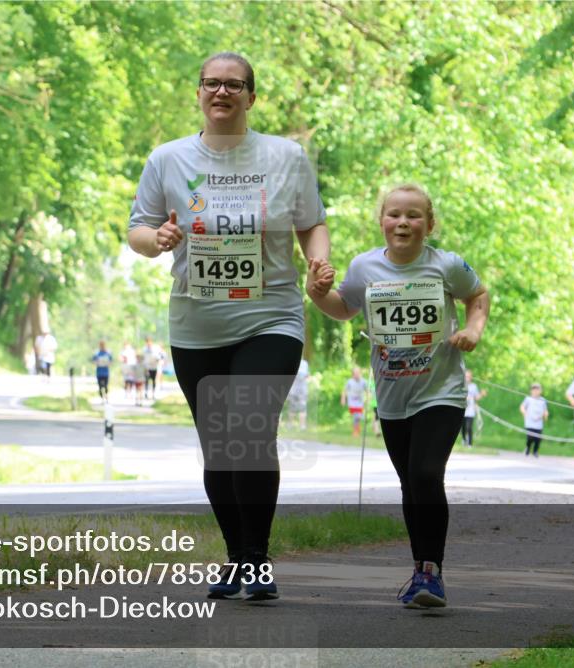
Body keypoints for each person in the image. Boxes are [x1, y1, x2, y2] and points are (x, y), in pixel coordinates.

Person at [127, 52, 329, 601]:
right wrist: (157, 241)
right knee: (219, 445)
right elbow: (138, 229)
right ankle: (237, 555)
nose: (222, 92)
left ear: (251, 96)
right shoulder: (168, 159)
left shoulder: (285, 156)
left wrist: (318, 261)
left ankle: (258, 561)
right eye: (211, 84)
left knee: (249, 427)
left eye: (233, 85)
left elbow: (312, 224)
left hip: (272, 314)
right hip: (196, 322)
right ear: (198, 93)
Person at [307, 183, 490, 610]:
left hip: (440, 391)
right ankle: (420, 571)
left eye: (413, 216)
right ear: (382, 221)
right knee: (410, 483)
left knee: (426, 475)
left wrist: (472, 331)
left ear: (429, 224)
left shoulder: (446, 266)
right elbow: (344, 307)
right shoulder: (365, 266)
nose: (402, 222)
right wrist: (318, 293)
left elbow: (477, 295)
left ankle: (432, 571)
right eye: (394, 214)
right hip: (392, 397)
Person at [520, 383, 548, 457]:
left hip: (538, 423)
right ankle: (528, 448)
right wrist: (525, 413)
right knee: (530, 437)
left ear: (540, 391)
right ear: (531, 391)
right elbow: (522, 407)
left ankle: (535, 451)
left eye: (537, 389)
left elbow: (545, 410)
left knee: (538, 439)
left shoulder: (543, 400)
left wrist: (545, 415)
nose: (535, 391)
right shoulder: (528, 399)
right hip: (530, 422)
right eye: (534, 389)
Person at [461, 370, 487, 448]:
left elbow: (477, 397)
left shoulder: (474, 386)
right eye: (466, 376)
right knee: (463, 427)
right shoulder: (461, 385)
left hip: (470, 410)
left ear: (471, 377)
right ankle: (464, 439)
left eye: (469, 376)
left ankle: (470, 444)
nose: (467, 378)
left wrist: (482, 394)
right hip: (463, 409)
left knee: (469, 427)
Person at [341, 367, 368, 437]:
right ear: (353, 374)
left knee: (359, 416)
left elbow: (367, 390)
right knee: (355, 416)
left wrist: (368, 398)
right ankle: (355, 431)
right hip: (352, 402)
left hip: (360, 402)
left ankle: (357, 429)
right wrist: (343, 399)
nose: (357, 375)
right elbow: (344, 390)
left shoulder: (363, 382)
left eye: (358, 373)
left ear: (360, 373)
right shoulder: (349, 382)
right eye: (355, 373)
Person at [286, 359, 309, 430]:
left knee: (292, 409)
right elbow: (307, 377)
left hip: (293, 391)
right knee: (302, 409)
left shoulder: (292, 362)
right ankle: (302, 426)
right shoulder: (305, 363)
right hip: (302, 391)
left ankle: (290, 425)